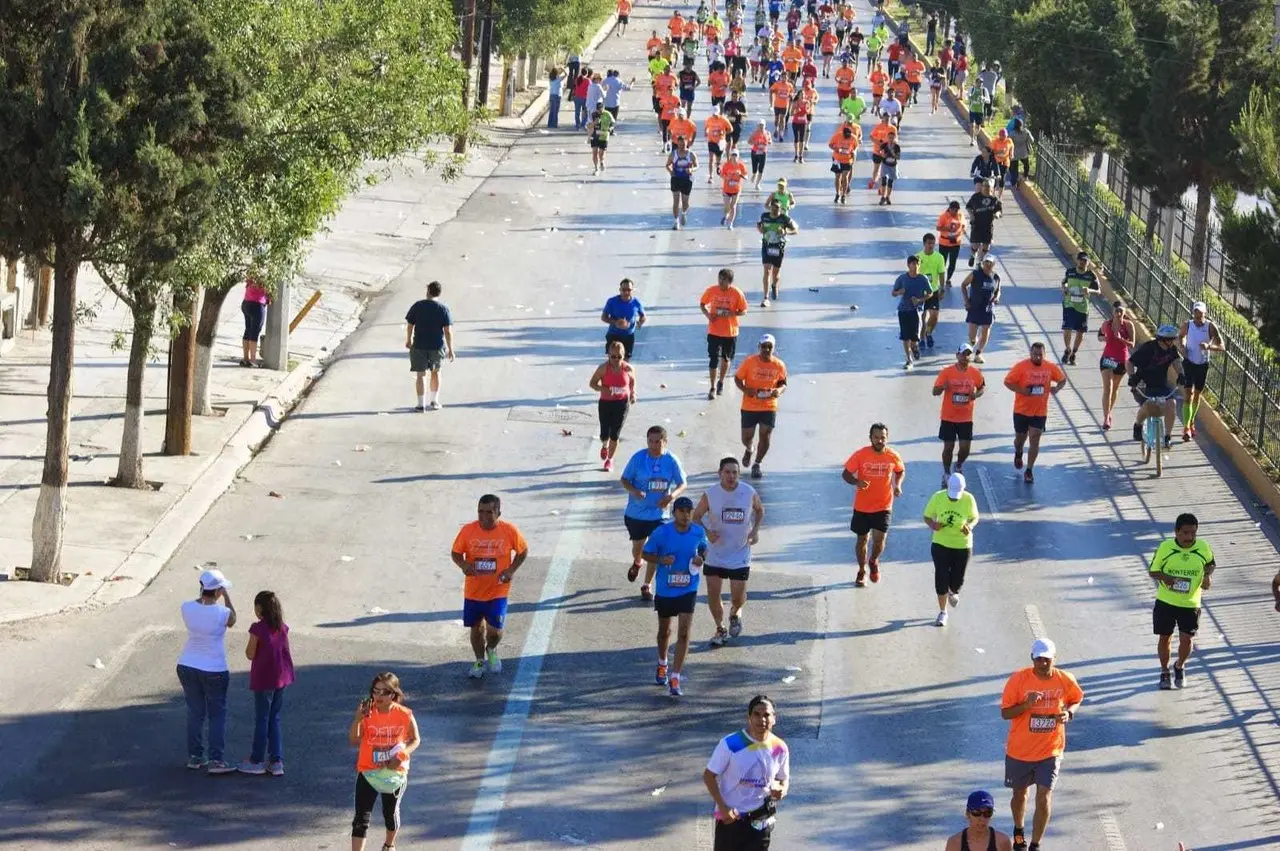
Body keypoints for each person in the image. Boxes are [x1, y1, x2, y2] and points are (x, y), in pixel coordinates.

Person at [1000, 639, 1084, 851]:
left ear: (1054, 659)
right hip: (1020, 751)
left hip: (1051, 749)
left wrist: (1069, 713)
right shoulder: (1018, 680)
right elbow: (1005, 713)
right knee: (1019, 795)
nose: (1043, 663)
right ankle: (1019, 832)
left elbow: (1076, 698)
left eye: (1047, 659)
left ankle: (1035, 844)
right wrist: (1026, 705)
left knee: (1044, 794)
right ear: (1032, 659)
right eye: (1038, 659)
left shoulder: (1064, 679)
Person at [450, 495, 529, 678]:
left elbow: (523, 551)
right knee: (476, 628)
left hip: (498, 590)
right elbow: (455, 553)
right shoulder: (468, 530)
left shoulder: (509, 530)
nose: (483, 516)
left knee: (495, 630)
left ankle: (491, 649)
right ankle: (479, 661)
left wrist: (510, 570)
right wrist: (463, 565)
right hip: (474, 591)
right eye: (480, 511)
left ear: (498, 513)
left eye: (489, 512)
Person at [642, 496, 709, 696]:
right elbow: (646, 554)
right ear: (674, 513)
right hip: (665, 590)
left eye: (689, 510)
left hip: (688, 588)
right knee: (665, 632)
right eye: (681, 510)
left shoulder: (698, 532)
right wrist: (661, 559)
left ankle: (675, 676)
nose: (686, 514)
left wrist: (700, 559)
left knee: (684, 632)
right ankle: (662, 663)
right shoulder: (661, 533)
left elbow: (704, 549)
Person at [694, 457, 765, 645]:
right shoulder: (710, 494)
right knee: (713, 593)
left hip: (740, 552)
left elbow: (760, 510)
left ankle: (735, 612)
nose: (731, 476)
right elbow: (696, 517)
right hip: (715, 554)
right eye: (727, 472)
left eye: (735, 472)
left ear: (739, 474)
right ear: (720, 474)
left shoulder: (748, 492)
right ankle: (719, 628)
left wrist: (755, 531)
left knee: (738, 597)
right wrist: (707, 532)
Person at [703, 695, 790, 846]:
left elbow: (784, 779)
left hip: (760, 823)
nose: (762, 719)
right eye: (756, 714)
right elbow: (709, 776)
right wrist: (723, 809)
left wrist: (783, 789)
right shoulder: (732, 743)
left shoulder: (778, 747)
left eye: (766, 715)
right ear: (749, 717)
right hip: (730, 819)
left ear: (774, 718)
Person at [349, 672, 421, 851]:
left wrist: (401, 756)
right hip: (368, 771)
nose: (378, 696)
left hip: (394, 773)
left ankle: (389, 845)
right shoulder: (366, 712)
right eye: (375, 691)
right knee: (361, 819)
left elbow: (415, 739)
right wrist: (358, 720)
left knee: (390, 815)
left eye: (384, 692)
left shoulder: (404, 715)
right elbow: (354, 740)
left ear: (393, 694)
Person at [177, 569, 237, 774]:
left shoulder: (186, 608)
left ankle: (195, 757)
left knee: (195, 713)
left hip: (187, 665)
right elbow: (233, 619)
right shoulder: (223, 613)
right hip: (214, 668)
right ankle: (216, 760)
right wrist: (227, 596)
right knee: (217, 715)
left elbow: (198, 605)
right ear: (219, 590)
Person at [621, 425, 688, 602]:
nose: (653, 445)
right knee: (639, 548)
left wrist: (671, 496)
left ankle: (646, 585)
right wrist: (635, 491)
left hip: (659, 515)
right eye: (650, 441)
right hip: (636, 513)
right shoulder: (638, 458)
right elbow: (624, 479)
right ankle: (637, 562)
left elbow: (683, 483)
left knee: (655, 549)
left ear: (665, 442)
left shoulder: (671, 460)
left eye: (657, 441)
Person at [1150, 513, 1216, 690]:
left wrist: (1207, 577)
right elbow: (1153, 571)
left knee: (1186, 639)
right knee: (1165, 637)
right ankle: (1164, 672)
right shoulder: (1166, 547)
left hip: (1190, 603)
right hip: (1166, 601)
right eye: (1185, 533)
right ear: (1176, 532)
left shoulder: (1203, 547)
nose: (1190, 537)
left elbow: (1210, 564)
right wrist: (1167, 578)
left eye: (1193, 533)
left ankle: (1179, 666)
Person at [237, 590, 294, 776]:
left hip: (264, 680)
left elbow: (250, 654)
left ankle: (257, 760)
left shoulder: (257, 629)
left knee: (262, 718)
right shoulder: (282, 628)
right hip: (281, 679)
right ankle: (276, 760)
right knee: (274, 718)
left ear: (260, 608)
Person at [842, 422, 905, 587]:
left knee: (879, 540)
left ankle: (873, 560)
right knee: (862, 539)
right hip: (862, 507)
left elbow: (900, 471)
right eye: (876, 437)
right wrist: (856, 482)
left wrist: (897, 485)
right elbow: (846, 474)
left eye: (883, 437)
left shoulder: (893, 456)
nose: (880, 440)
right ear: (870, 438)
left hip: (883, 506)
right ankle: (862, 570)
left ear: (887, 438)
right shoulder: (861, 455)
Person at [1002, 343, 1068, 483]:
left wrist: (1057, 388)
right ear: (1030, 353)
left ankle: (1029, 470)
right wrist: (1022, 391)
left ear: (1045, 354)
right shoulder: (1021, 366)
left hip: (1039, 412)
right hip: (1021, 410)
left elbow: (1062, 379)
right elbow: (1007, 382)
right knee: (1020, 439)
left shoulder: (1050, 367)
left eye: (1040, 355)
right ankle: (1018, 452)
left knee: (1035, 439)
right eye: (1035, 354)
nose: (1037, 357)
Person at [923, 473, 979, 626]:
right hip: (941, 543)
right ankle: (943, 612)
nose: (954, 498)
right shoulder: (938, 497)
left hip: (962, 545)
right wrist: (933, 525)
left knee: (957, 581)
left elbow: (975, 517)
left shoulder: (968, 499)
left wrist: (970, 526)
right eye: (952, 495)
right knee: (941, 576)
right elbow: (927, 516)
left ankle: (952, 590)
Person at [736, 334, 788, 479]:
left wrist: (778, 391)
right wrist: (746, 390)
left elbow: (783, 383)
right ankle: (749, 448)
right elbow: (738, 378)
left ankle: (757, 464)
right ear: (759, 347)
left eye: (769, 347)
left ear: (773, 348)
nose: (766, 349)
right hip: (750, 405)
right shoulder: (749, 362)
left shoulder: (779, 365)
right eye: (764, 346)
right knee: (746, 437)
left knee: (765, 436)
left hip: (769, 406)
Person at [933, 345, 985, 485]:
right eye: (963, 354)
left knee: (965, 449)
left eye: (968, 355)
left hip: (966, 418)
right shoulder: (947, 372)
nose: (965, 358)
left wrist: (976, 394)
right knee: (948, 447)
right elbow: (935, 391)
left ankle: (959, 464)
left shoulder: (974, 373)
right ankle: (946, 472)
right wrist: (942, 387)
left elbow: (982, 387)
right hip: (948, 417)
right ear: (957, 355)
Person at [1128, 325, 1184, 450]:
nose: (1173, 342)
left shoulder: (1171, 349)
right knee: (1147, 405)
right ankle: (1138, 425)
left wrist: (1181, 374)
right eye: (1170, 339)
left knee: (1172, 404)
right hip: (1143, 383)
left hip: (1160, 384)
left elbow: (1176, 362)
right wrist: (1132, 377)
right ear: (1162, 339)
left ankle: (1167, 437)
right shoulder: (1148, 348)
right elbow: (1130, 362)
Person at [404, 280, 455, 411]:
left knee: (420, 375)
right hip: (437, 346)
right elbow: (448, 331)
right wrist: (451, 349)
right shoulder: (443, 309)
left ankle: (421, 404)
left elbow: (410, 325)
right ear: (439, 293)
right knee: (436, 372)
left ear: (428, 291)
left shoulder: (418, 306)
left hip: (419, 345)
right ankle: (434, 401)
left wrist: (408, 340)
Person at [701, 268, 751, 399]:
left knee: (726, 358)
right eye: (719, 279)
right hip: (714, 330)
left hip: (730, 332)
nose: (721, 282)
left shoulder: (737, 293)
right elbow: (702, 304)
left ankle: (721, 381)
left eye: (724, 280)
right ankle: (712, 387)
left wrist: (732, 313)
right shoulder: (712, 290)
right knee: (713, 359)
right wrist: (708, 316)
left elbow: (744, 310)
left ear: (730, 282)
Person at [1178, 300, 1224, 441]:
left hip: (1202, 364)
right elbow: (1180, 337)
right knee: (1188, 394)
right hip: (1189, 362)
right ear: (1193, 313)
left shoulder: (1210, 327)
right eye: (1196, 315)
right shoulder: (1188, 325)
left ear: (1205, 314)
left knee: (1197, 395)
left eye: (1201, 315)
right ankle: (1186, 427)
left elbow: (1222, 346)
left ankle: (1191, 421)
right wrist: (1183, 346)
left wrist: (1209, 347)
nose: (1198, 318)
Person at [589, 341, 636, 472]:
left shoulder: (628, 368)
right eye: (613, 356)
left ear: (624, 356)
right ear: (608, 355)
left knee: (615, 434)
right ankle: (605, 444)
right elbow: (592, 383)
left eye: (619, 357)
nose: (616, 360)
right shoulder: (603, 368)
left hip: (622, 403)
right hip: (605, 403)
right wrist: (603, 388)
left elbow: (632, 381)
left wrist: (632, 394)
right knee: (605, 433)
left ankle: (610, 460)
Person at [1096, 300, 1135, 430]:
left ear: (1124, 313)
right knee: (1108, 387)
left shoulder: (1128, 325)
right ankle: (1106, 417)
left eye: (1121, 311)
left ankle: (1109, 411)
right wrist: (1105, 338)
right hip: (1107, 359)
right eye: (1116, 311)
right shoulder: (1107, 324)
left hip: (1121, 361)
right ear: (1112, 312)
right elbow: (1099, 336)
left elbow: (1132, 344)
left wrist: (1120, 339)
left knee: (1115, 388)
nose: (1118, 313)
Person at [757, 195, 798, 306]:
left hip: (778, 247)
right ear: (770, 208)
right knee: (767, 271)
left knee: (775, 273)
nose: (775, 211)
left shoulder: (784, 218)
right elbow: (759, 226)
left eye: (778, 209)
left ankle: (774, 285)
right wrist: (760, 229)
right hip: (767, 245)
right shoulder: (764, 216)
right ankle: (765, 297)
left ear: (780, 209)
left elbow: (796, 230)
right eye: (773, 208)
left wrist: (785, 232)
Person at [892, 255, 931, 369]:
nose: (915, 266)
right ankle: (909, 360)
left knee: (914, 338)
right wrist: (900, 292)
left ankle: (914, 348)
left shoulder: (923, 279)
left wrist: (920, 300)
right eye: (913, 264)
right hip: (903, 310)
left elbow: (930, 293)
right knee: (905, 337)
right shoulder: (902, 278)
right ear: (908, 265)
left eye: (917, 264)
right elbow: (893, 293)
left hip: (916, 311)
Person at [1060, 252, 1100, 364]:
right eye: (1080, 260)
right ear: (1077, 260)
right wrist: (1064, 288)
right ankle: (1067, 349)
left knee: (1080, 332)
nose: (1082, 263)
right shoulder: (1070, 272)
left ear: (1088, 263)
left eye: (1085, 261)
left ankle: (1074, 353)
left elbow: (1099, 291)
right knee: (1067, 328)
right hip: (1069, 304)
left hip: (1082, 308)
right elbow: (1064, 282)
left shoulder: (1091, 275)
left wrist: (1089, 290)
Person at [961, 256, 1001, 363]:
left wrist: (997, 298)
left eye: (990, 263)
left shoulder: (996, 277)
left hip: (988, 309)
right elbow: (963, 285)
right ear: (983, 263)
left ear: (994, 264)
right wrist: (966, 301)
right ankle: (973, 342)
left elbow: (998, 291)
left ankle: (978, 353)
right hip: (974, 307)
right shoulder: (975, 274)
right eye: (986, 262)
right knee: (972, 337)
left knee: (985, 331)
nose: (988, 265)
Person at [945, 791, 1014, 851]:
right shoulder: (955, 842)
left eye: (987, 813)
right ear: (967, 814)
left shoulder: (1002, 841)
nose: (982, 818)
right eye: (976, 813)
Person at [600, 277, 646, 360]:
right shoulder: (612, 301)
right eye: (623, 290)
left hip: (628, 336)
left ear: (632, 290)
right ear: (619, 290)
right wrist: (615, 322)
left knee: (625, 362)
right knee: (613, 360)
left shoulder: (636, 303)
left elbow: (643, 316)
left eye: (629, 290)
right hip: (614, 335)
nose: (626, 292)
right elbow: (604, 317)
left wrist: (640, 322)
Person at [918, 233, 947, 348]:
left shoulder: (939, 257)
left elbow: (941, 273)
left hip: (933, 291)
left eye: (933, 243)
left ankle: (928, 332)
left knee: (934, 316)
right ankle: (921, 339)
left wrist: (942, 288)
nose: (931, 246)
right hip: (921, 292)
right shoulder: (918, 257)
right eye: (929, 243)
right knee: (922, 317)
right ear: (924, 244)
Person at [966, 180, 1003, 269]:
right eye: (985, 186)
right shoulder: (976, 197)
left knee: (986, 246)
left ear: (991, 188)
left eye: (988, 186)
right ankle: (973, 256)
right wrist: (971, 215)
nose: (986, 188)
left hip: (988, 226)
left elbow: (999, 210)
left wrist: (997, 214)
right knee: (976, 245)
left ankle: (979, 262)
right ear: (982, 187)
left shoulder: (994, 199)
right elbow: (968, 207)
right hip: (977, 224)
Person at [667, 134, 698, 230]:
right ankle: (676, 221)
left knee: (685, 202)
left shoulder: (691, 154)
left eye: (683, 145)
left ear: (687, 143)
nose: (681, 147)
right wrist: (671, 171)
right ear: (677, 144)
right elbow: (667, 165)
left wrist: (692, 170)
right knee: (676, 201)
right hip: (676, 178)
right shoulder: (673, 154)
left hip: (687, 180)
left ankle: (684, 213)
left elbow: (697, 166)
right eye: (679, 145)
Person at [827, 119, 858, 204]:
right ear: (843, 133)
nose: (847, 138)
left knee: (845, 177)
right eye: (845, 136)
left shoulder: (854, 138)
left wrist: (853, 153)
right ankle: (837, 193)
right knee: (837, 176)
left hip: (847, 160)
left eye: (848, 136)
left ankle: (843, 195)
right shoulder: (837, 136)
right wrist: (836, 149)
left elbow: (855, 147)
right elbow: (830, 144)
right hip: (837, 159)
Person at [936, 200, 966, 287]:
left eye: (957, 210)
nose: (956, 212)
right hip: (944, 243)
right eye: (954, 210)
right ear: (950, 209)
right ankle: (940, 279)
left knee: (952, 263)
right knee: (942, 262)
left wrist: (961, 231)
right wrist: (948, 229)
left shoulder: (960, 215)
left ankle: (948, 279)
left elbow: (963, 225)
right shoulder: (943, 216)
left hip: (955, 243)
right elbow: (938, 227)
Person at [241, 277, 269, 367]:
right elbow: (267, 289)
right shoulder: (264, 275)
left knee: (248, 330)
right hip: (257, 305)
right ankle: (252, 360)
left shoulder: (252, 273)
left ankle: (245, 358)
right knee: (255, 332)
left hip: (246, 303)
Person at [720, 147, 749, 228]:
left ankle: (730, 223)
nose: (734, 157)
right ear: (730, 156)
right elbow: (721, 175)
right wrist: (727, 178)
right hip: (726, 189)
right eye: (732, 155)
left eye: (735, 155)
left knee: (733, 206)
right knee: (727, 206)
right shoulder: (726, 165)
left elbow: (746, 176)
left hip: (736, 189)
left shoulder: (741, 165)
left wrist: (741, 175)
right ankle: (726, 216)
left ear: (738, 156)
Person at [586, 104, 614, 175]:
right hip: (594, 136)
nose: (600, 111)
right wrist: (594, 123)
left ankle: (602, 162)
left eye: (601, 109)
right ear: (596, 109)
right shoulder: (593, 114)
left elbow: (613, 123)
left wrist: (610, 128)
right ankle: (596, 169)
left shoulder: (608, 114)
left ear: (603, 108)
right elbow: (588, 126)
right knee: (594, 153)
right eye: (598, 110)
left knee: (601, 154)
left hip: (604, 136)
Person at [1008, 118, 1035, 188]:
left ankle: (1014, 181)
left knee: (1013, 168)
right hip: (1024, 152)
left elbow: (1008, 143)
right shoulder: (1026, 131)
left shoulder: (1012, 133)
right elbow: (1032, 140)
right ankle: (1025, 176)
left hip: (1014, 153)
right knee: (1026, 165)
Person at [877, 130, 901, 205]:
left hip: (893, 165)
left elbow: (898, 157)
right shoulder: (884, 145)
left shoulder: (897, 147)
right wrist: (882, 154)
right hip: (885, 164)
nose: (891, 139)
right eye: (889, 138)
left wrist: (893, 154)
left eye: (892, 138)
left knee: (890, 181)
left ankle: (888, 196)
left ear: (894, 138)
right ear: (887, 138)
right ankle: (883, 196)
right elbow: (880, 152)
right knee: (884, 180)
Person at [748, 119, 772, 189]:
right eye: (760, 125)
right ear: (757, 126)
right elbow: (749, 141)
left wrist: (769, 142)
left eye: (762, 125)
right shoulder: (754, 133)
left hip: (763, 153)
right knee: (755, 169)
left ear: (765, 126)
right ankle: (754, 174)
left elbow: (770, 140)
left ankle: (757, 184)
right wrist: (755, 142)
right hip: (755, 152)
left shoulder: (767, 133)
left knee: (761, 170)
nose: (761, 127)